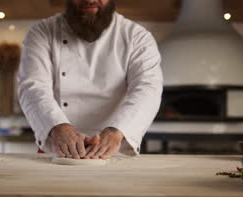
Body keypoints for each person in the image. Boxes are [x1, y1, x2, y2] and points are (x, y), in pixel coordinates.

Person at [17, 0, 163, 159]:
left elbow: (148, 90)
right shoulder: (42, 32)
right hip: (58, 149)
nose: (90, 0)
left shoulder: (137, 37)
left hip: (114, 149)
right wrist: (59, 127)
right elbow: (33, 87)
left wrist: (117, 130)